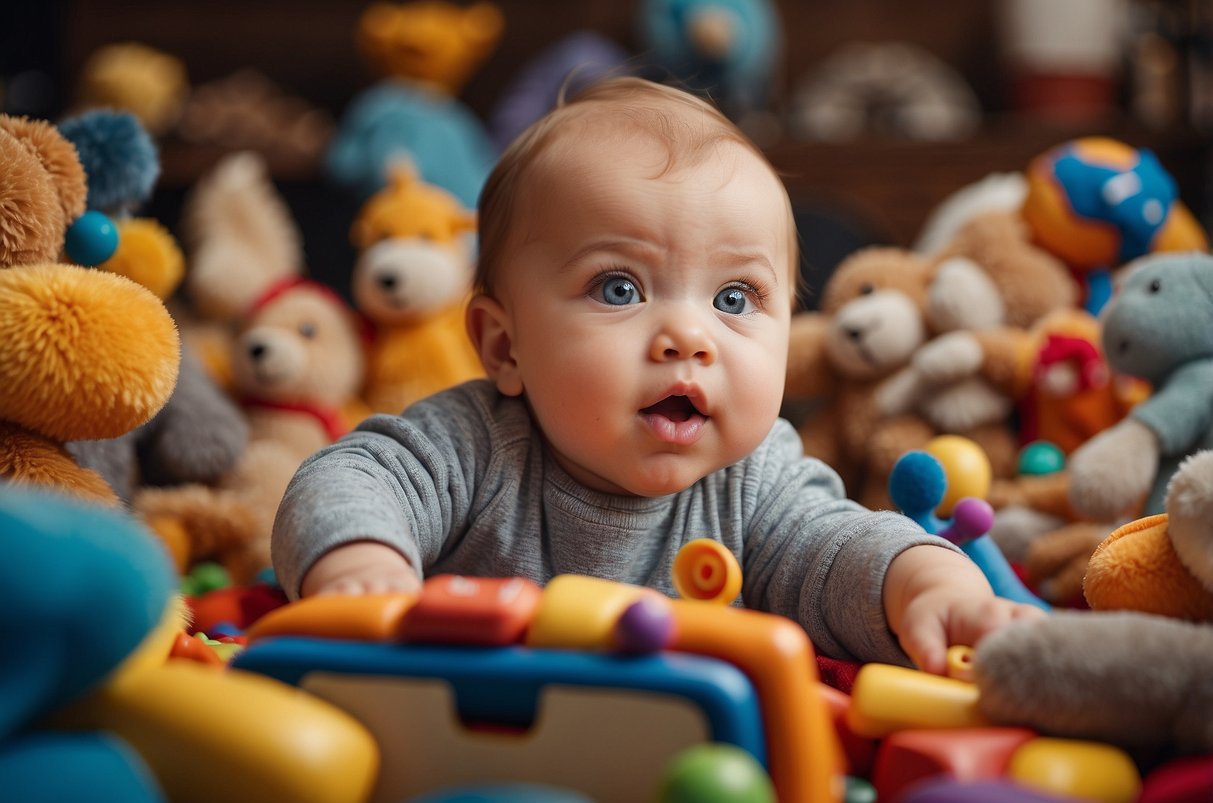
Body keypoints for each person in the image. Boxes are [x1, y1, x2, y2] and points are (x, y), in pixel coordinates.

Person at [272, 77, 1044, 674]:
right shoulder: (470, 445)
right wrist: (364, 564)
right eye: (619, 288)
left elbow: (837, 548)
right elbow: (348, 478)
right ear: (505, 348)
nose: (688, 335)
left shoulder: (754, 481)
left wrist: (926, 584)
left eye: (734, 298)